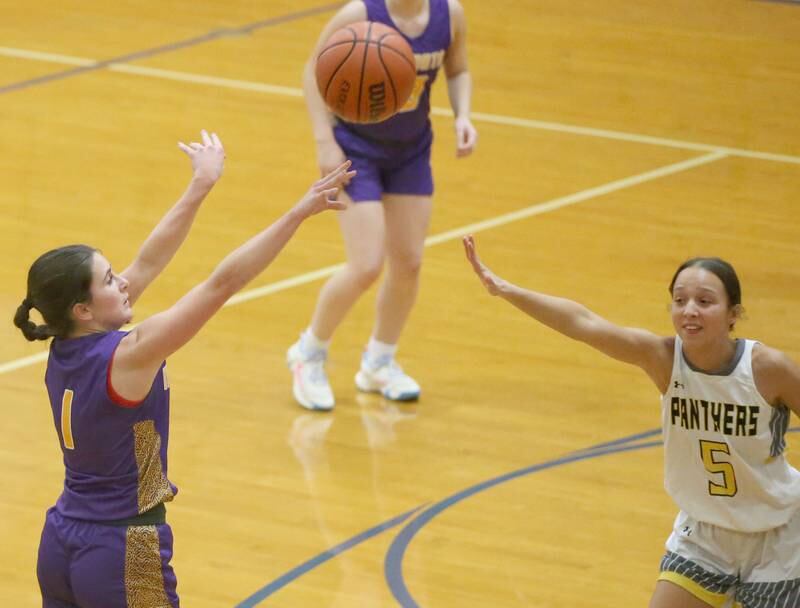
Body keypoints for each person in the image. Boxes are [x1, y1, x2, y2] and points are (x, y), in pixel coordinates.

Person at [13, 130, 354, 608]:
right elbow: (223, 283)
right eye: (110, 280)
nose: (125, 282)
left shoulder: (62, 345)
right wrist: (298, 212)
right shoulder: (130, 355)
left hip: (61, 540)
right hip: (121, 548)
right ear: (83, 310)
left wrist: (201, 185)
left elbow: (151, 259)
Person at [462, 235, 800, 607]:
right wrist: (506, 289)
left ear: (733, 313)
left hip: (778, 535)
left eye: (704, 302)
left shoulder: (768, 369)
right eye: (680, 300)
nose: (689, 310)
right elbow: (582, 322)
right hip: (705, 534)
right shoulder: (662, 359)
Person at [287, 0, 478, 411]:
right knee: (366, 264)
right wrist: (325, 140)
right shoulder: (359, 16)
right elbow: (312, 70)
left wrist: (464, 115)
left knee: (408, 262)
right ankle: (309, 352)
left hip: (411, 151)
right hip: (358, 149)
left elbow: (458, 69)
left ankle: (379, 361)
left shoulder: (450, 15)